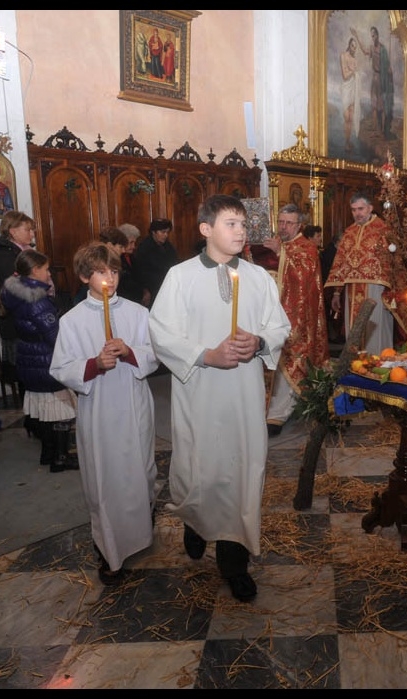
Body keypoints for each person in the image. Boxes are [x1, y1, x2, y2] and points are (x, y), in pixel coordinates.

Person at [148, 194, 290, 603]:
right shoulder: (180, 277)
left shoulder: (260, 278)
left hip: (244, 396)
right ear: (205, 229)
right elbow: (161, 332)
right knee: (201, 467)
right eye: (231, 223)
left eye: (243, 224)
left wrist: (259, 341)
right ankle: (195, 520)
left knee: (241, 472)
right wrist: (206, 355)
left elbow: (279, 326)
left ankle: (234, 562)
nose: (241, 231)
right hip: (200, 392)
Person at [50, 241, 159, 586]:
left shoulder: (138, 313)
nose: (108, 278)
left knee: (139, 470)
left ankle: (140, 533)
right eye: (100, 272)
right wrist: (94, 364)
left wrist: (129, 351)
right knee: (105, 477)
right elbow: (61, 367)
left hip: (133, 402)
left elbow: (155, 353)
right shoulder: (72, 321)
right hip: (98, 408)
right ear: (85, 277)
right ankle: (109, 550)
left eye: (113, 271)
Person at [1, 248, 79, 472]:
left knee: (45, 411)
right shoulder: (38, 301)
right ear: (35, 271)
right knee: (62, 409)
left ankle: (48, 453)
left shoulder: (16, 293)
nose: (49, 275)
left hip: (29, 358)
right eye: (46, 270)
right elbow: (54, 336)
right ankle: (61, 458)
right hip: (46, 360)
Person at [263, 205, 329, 437]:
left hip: (297, 315)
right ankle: (267, 407)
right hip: (272, 312)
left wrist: (281, 253)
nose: (283, 227)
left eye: (289, 223)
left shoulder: (307, 247)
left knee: (289, 361)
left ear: (299, 225)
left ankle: (278, 413)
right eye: (281, 222)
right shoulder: (277, 244)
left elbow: (302, 278)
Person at [325, 192, 395, 356]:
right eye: (354, 210)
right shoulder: (349, 232)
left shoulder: (383, 230)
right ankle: (354, 368)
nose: (357, 213)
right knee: (354, 331)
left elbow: (393, 262)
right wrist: (336, 292)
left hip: (377, 288)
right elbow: (340, 263)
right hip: (352, 289)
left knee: (376, 329)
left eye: (361, 209)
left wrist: (391, 290)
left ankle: (379, 367)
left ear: (370, 208)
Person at [0, 210, 38, 389]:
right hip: (17, 322)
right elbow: (18, 291)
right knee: (25, 374)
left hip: (29, 319)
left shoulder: (21, 253)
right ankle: (32, 415)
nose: (32, 233)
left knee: (33, 372)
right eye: (28, 230)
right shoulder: (3, 257)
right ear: (12, 231)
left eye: (33, 230)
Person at [353, 26, 395, 139]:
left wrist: (389, 72)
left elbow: (387, 67)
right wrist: (356, 36)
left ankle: (381, 131)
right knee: (374, 105)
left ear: (378, 35)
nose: (373, 37)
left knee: (381, 106)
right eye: (371, 36)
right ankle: (376, 129)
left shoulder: (383, 49)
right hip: (375, 78)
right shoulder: (372, 48)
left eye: (374, 35)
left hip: (382, 79)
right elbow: (363, 50)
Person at [133, 218, 178, 305]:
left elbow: (175, 263)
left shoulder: (168, 246)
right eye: (163, 232)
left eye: (167, 232)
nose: (166, 235)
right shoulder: (144, 247)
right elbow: (140, 271)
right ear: (153, 232)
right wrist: (145, 290)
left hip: (167, 286)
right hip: (151, 289)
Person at [117, 223, 149, 305]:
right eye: (131, 243)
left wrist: (145, 291)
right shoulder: (116, 259)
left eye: (134, 243)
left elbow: (140, 277)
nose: (134, 246)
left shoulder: (132, 257)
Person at [340, 36, 362, 152]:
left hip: (353, 88)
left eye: (355, 47)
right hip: (346, 88)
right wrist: (353, 72)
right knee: (346, 117)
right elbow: (344, 75)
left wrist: (354, 73)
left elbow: (353, 73)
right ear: (349, 45)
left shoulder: (355, 61)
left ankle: (348, 142)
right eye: (352, 46)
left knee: (351, 118)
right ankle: (346, 142)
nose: (354, 48)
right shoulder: (343, 56)